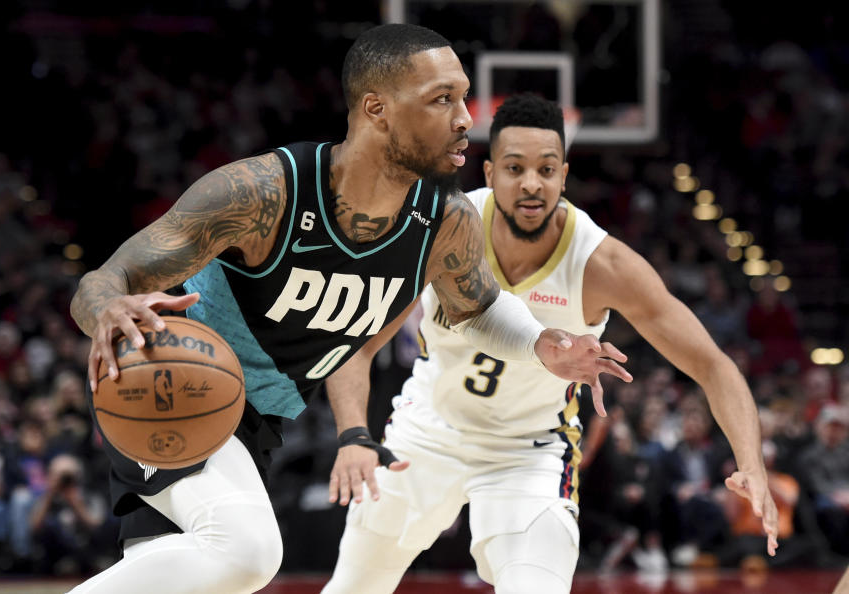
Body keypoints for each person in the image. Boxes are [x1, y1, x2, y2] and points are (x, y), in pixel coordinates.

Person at [67, 25, 631, 594]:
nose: (465, 117)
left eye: (463, 98)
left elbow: (478, 307)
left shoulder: (443, 220)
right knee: (248, 551)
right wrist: (108, 313)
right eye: (443, 99)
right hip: (168, 386)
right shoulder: (265, 193)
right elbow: (105, 280)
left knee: (190, 573)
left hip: (254, 420)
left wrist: (543, 345)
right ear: (377, 108)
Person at [321, 93, 778, 594]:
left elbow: (712, 365)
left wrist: (751, 464)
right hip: (427, 430)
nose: (531, 184)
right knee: (353, 587)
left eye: (546, 169)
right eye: (515, 168)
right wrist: (353, 435)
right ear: (490, 173)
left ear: (564, 174)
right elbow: (357, 345)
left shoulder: (603, 266)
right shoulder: (438, 232)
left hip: (528, 452)